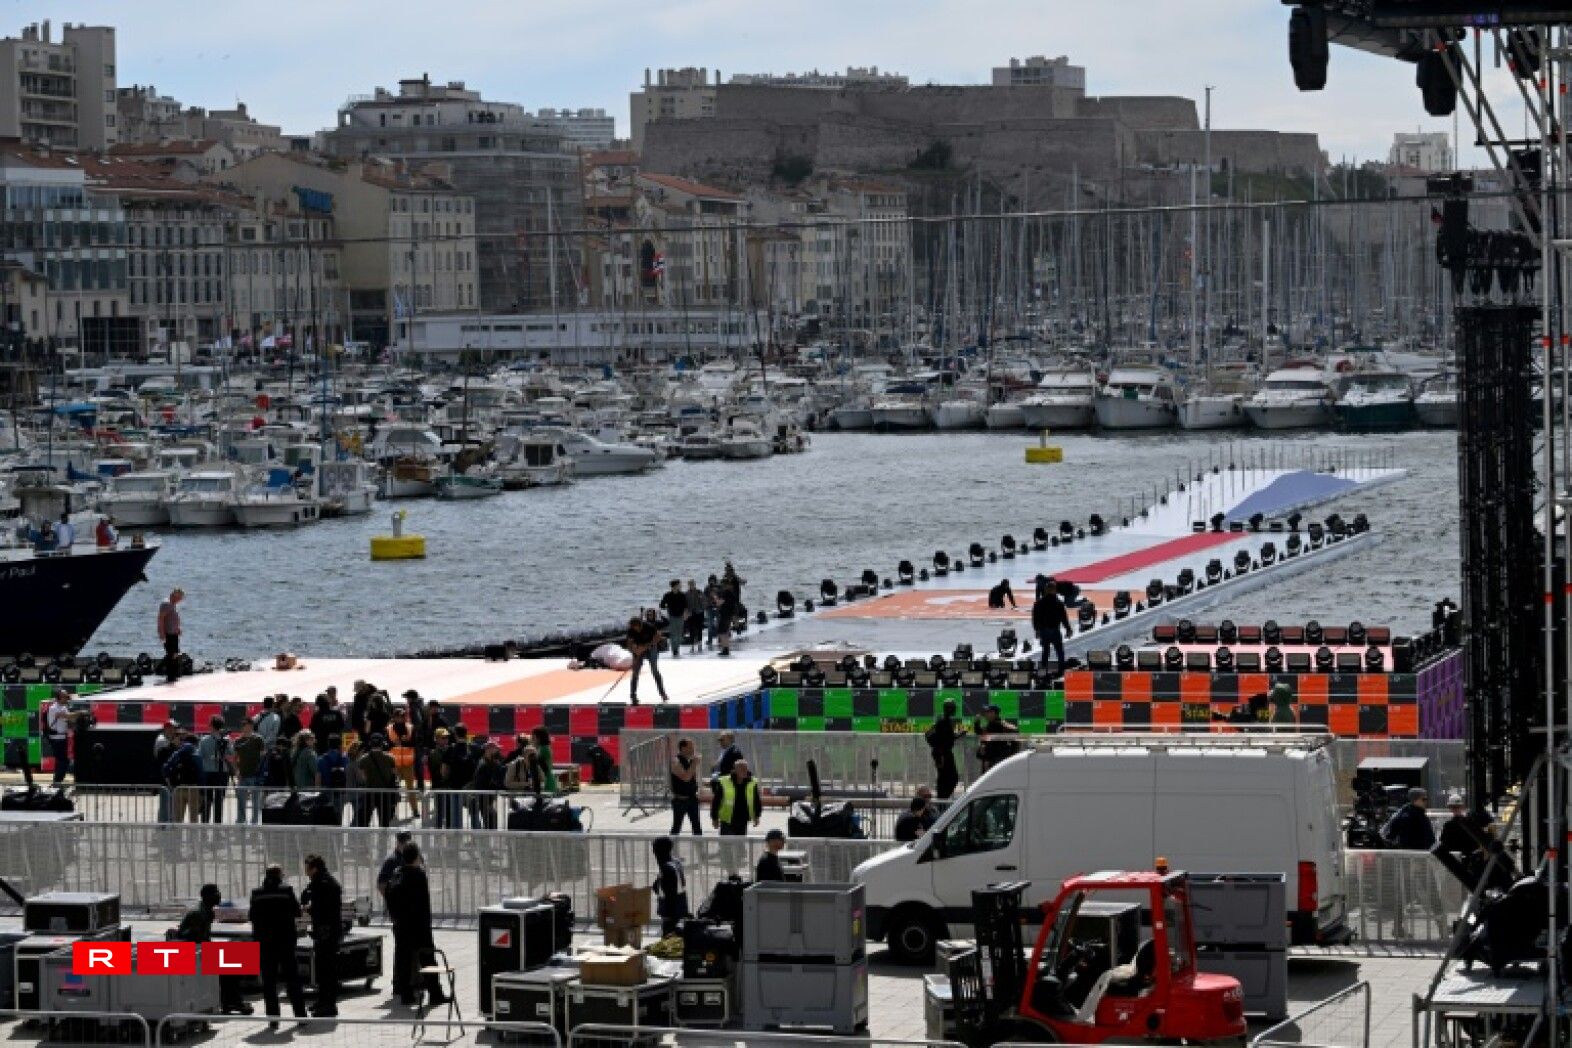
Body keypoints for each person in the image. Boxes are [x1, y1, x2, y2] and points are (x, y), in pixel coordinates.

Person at [385, 843, 448, 1006]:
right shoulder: (418, 875)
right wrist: (426, 925)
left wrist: (395, 918)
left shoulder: (396, 874)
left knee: (404, 960)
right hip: (418, 926)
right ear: (416, 857)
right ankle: (435, 992)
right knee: (428, 959)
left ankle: (406, 994)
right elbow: (423, 903)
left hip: (401, 925)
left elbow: (388, 896)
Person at [177, 884, 251, 1015]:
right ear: (206, 897)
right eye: (215, 894)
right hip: (191, 955)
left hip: (198, 952)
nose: (219, 896)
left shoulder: (207, 911)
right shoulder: (198, 914)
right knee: (232, 965)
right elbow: (196, 940)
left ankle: (230, 1001)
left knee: (238, 959)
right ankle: (232, 1001)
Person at [249, 864, 307, 1028]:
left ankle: (273, 1019)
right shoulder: (286, 891)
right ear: (279, 875)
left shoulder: (256, 893)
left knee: (269, 982)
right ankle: (301, 1016)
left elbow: (252, 916)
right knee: (292, 979)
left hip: (266, 943)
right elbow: (297, 912)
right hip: (285, 941)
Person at [300, 854, 342, 1018]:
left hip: (327, 932)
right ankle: (323, 1000)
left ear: (314, 868)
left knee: (327, 969)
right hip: (326, 931)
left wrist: (309, 908)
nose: (305, 870)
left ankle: (329, 1004)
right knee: (322, 968)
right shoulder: (322, 881)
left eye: (307, 867)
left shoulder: (323, 884)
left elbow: (322, 908)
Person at [626, 613, 669, 705]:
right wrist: (634, 650)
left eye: (636, 628)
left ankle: (662, 693)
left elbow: (658, 636)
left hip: (651, 647)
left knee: (654, 670)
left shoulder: (648, 626)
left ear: (639, 625)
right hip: (638, 648)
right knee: (635, 672)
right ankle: (633, 696)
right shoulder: (631, 630)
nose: (635, 630)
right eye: (633, 628)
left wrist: (647, 645)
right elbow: (629, 644)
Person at [925, 699, 964, 800]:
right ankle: (942, 799)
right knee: (951, 778)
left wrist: (959, 734)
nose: (955, 710)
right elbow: (946, 739)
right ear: (950, 709)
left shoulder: (943, 720)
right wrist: (940, 757)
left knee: (944, 778)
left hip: (941, 753)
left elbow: (947, 737)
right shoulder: (944, 722)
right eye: (953, 708)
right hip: (943, 753)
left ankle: (942, 799)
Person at [196, 716, 232, 823]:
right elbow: (231, 754)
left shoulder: (204, 740)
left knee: (207, 799)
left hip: (208, 772)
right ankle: (217, 823)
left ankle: (205, 822)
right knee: (219, 800)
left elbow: (199, 756)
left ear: (211, 726)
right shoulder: (227, 740)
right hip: (222, 772)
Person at [651, 836, 689, 937]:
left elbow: (670, 895)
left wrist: (670, 919)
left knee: (670, 941)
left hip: (671, 916)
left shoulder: (667, 868)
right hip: (680, 910)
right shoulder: (676, 863)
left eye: (655, 850)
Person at [712, 759, 761, 836]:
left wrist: (757, 816)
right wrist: (714, 818)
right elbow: (716, 801)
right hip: (727, 820)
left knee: (740, 842)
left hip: (743, 820)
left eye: (746, 768)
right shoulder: (724, 782)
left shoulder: (752, 782)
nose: (745, 771)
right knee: (727, 842)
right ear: (735, 770)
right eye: (742, 769)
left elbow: (756, 800)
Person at [358, 735, 398, 827]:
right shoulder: (390, 758)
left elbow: (362, 777)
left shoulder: (363, 759)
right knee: (384, 822)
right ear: (382, 744)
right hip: (385, 793)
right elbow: (395, 774)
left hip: (369, 792)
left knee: (365, 820)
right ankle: (383, 836)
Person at [162, 731, 203, 822]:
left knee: (178, 817)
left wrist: (170, 784)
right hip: (193, 788)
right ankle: (193, 832)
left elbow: (165, 768)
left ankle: (178, 832)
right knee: (194, 817)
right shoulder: (197, 755)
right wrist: (201, 790)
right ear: (195, 743)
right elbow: (201, 774)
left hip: (179, 788)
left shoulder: (177, 754)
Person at [232, 717, 267, 825]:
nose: (247, 728)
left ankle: (254, 821)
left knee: (255, 800)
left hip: (255, 774)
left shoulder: (258, 739)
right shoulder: (238, 741)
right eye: (245, 725)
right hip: (242, 774)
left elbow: (263, 756)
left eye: (249, 725)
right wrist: (236, 771)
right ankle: (241, 820)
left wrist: (261, 771)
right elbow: (235, 758)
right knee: (241, 800)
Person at [1031, 588, 1070, 671]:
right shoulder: (1058, 603)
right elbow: (1064, 618)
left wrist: (1037, 630)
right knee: (1059, 651)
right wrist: (1068, 629)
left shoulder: (1039, 603)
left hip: (1044, 630)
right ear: (1054, 591)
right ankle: (1061, 669)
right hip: (1055, 629)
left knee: (1045, 651)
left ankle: (1043, 669)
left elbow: (1035, 618)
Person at [669, 738, 702, 835]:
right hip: (680, 800)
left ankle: (699, 843)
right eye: (691, 747)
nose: (693, 750)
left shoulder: (689, 761)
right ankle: (671, 844)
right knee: (677, 827)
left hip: (692, 799)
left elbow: (692, 778)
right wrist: (694, 763)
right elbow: (686, 777)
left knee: (697, 826)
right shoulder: (675, 761)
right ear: (683, 748)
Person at [471, 742, 506, 829]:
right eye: (496, 749)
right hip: (485, 799)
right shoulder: (483, 764)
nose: (498, 751)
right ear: (488, 750)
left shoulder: (492, 762)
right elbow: (480, 785)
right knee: (490, 824)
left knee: (491, 824)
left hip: (488, 799)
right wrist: (487, 803)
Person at [43, 689, 74, 785]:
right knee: (62, 761)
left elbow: (68, 719)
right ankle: (57, 782)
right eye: (65, 697)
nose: (67, 698)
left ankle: (57, 782)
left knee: (62, 761)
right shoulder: (54, 708)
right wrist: (81, 713)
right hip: (56, 739)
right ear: (59, 698)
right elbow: (68, 716)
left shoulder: (63, 707)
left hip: (62, 738)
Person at [977, 706, 1021, 773]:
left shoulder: (1001, 725)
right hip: (991, 762)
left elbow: (1016, 736)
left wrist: (1012, 756)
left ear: (993, 713)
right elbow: (982, 736)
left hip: (998, 762)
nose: (984, 715)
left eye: (987, 712)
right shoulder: (989, 726)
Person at [153, 721, 180, 822]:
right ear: (167, 729)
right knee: (165, 802)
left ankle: (168, 823)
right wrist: (172, 745)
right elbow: (162, 758)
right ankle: (163, 824)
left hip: (170, 775)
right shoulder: (162, 740)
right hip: (165, 776)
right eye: (173, 728)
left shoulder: (168, 740)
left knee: (170, 802)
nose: (175, 731)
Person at [317, 735, 349, 818]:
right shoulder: (345, 759)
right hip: (341, 792)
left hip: (326, 791)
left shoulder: (321, 759)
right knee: (339, 816)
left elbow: (318, 778)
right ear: (340, 745)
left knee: (326, 816)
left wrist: (318, 792)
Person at [157, 588, 184, 684]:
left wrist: (178, 628)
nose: (180, 600)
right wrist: (161, 633)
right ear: (174, 595)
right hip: (168, 634)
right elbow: (161, 619)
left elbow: (172, 619)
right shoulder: (166, 604)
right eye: (179, 598)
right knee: (171, 654)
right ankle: (170, 675)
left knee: (175, 654)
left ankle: (173, 674)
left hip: (174, 633)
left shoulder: (173, 605)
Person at [660, 581, 688, 659]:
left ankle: (677, 648)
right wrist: (667, 607)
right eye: (679, 585)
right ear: (674, 586)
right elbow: (662, 605)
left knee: (679, 634)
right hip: (672, 616)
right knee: (673, 634)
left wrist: (686, 614)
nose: (680, 586)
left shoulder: (682, 595)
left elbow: (685, 606)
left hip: (680, 616)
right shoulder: (667, 595)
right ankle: (674, 650)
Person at [531, 727, 559, 794]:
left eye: (533, 738)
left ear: (539, 738)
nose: (532, 740)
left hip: (547, 781)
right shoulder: (544, 748)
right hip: (548, 780)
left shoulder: (543, 749)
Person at [684, 579, 705, 655]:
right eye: (690, 584)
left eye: (692, 584)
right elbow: (685, 604)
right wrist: (685, 612)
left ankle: (699, 644)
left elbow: (703, 601)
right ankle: (692, 645)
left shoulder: (699, 592)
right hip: (690, 613)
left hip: (699, 613)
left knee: (699, 629)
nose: (691, 586)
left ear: (695, 584)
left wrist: (702, 609)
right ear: (688, 585)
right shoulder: (686, 594)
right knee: (691, 629)